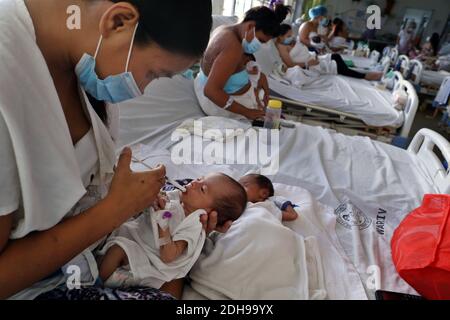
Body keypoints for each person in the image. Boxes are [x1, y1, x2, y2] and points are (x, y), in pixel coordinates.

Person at [0, 0, 223, 300]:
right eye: (154, 74)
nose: (142, 90)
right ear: (119, 21)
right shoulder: (9, 76)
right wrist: (114, 210)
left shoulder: (84, 62)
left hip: (88, 256)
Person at [97, 173, 247, 293]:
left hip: (147, 262)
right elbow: (165, 210)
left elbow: (168, 256)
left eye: (202, 189)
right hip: (135, 239)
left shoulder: (193, 225)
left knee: (116, 251)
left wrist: (162, 222)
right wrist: (155, 196)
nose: (195, 183)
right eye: (200, 178)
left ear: (209, 211)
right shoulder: (180, 200)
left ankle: (96, 286)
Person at [195, 4, 291, 120]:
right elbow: (211, 91)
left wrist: (260, 77)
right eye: (260, 40)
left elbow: (225, 67)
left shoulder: (223, 29)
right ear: (250, 26)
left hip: (212, 92)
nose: (258, 45)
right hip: (217, 105)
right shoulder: (233, 47)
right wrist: (247, 112)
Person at [275, 24, 383, 81]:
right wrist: (307, 64)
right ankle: (364, 76)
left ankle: (362, 73)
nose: (291, 37)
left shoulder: (291, 42)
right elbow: (290, 65)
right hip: (308, 65)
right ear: (280, 36)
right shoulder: (281, 47)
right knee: (338, 66)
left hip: (313, 58)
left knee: (336, 57)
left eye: (291, 34)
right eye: (288, 36)